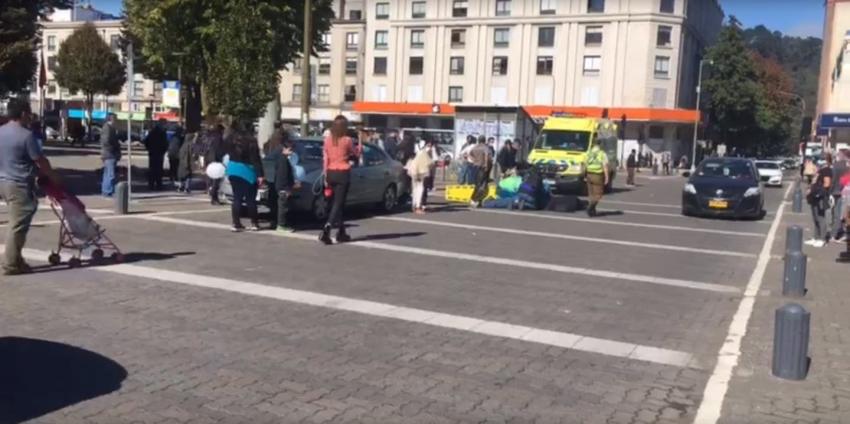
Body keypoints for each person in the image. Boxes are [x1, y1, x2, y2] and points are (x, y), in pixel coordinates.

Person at [0, 99, 61, 275]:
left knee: (17, 222)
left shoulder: (1, 131)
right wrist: (53, 177)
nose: (30, 116)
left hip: (3, 182)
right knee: (17, 225)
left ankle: (17, 260)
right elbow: (39, 160)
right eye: (28, 113)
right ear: (23, 114)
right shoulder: (26, 135)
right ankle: (11, 263)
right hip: (18, 184)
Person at [320, 115, 361, 245]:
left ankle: (341, 232)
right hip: (343, 172)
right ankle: (327, 228)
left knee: (338, 204)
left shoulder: (327, 140)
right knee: (338, 202)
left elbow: (325, 158)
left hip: (331, 172)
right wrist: (360, 142)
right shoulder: (347, 140)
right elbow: (356, 153)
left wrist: (325, 174)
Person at [225, 132, 264, 232]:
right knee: (250, 199)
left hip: (233, 169)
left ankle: (235, 223)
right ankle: (254, 223)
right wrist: (260, 175)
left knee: (237, 198)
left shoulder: (233, 142)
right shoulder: (251, 144)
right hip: (247, 171)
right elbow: (256, 160)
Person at [272, 138, 300, 232]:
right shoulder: (283, 160)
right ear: (284, 149)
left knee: (282, 206)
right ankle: (281, 225)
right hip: (283, 187)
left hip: (280, 186)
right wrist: (287, 188)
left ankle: (281, 224)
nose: (291, 152)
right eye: (290, 150)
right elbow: (283, 175)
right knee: (283, 207)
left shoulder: (281, 158)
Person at [806, 154, 833, 247]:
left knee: (820, 217)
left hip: (821, 197)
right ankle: (816, 237)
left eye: (822, 159)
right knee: (815, 217)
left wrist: (818, 191)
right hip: (814, 196)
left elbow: (827, 183)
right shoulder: (820, 170)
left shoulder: (827, 170)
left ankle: (822, 238)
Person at [407, 140, 434, 214]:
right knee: (419, 190)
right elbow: (431, 163)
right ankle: (418, 207)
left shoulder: (416, 153)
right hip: (420, 173)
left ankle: (414, 206)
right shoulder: (423, 153)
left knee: (415, 190)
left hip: (413, 172)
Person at [202, 123, 226, 205]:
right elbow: (220, 150)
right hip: (215, 160)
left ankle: (210, 191)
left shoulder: (208, 137)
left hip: (208, 159)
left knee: (210, 178)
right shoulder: (218, 138)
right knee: (216, 179)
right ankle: (214, 197)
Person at [585, 138, 610, 217]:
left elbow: (584, 164)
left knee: (591, 194)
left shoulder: (588, 153)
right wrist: (607, 177)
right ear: (600, 144)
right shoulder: (602, 153)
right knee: (598, 194)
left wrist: (584, 175)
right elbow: (605, 166)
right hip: (597, 175)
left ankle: (592, 211)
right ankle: (590, 207)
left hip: (589, 174)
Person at [143, 119, 169, 191]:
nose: (166, 126)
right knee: (158, 170)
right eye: (165, 124)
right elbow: (165, 143)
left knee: (152, 169)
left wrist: (149, 149)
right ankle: (158, 185)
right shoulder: (162, 133)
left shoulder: (153, 132)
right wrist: (164, 150)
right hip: (158, 153)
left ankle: (151, 185)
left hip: (153, 153)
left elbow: (146, 141)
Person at [100, 113, 120, 197]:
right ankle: (108, 191)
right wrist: (114, 149)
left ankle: (106, 190)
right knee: (110, 174)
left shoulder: (110, 128)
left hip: (108, 154)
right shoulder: (108, 128)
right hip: (110, 154)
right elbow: (106, 141)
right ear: (111, 119)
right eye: (115, 119)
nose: (116, 121)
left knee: (107, 173)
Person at [830, 150, 849, 241]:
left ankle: (834, 234)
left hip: (838, 192)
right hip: (846, 192)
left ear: (842, 155)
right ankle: (844, 232)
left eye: (838, 154)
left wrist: (829, 191)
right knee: (845, 213)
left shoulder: (837, 165)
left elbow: (833, 179)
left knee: (837, 214)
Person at [469, 136, 492, 207]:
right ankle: (474, 199)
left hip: (475, 166)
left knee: (477, 184)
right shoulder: (485, 147)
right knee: (482, 185)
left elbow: (469, 154)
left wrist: (474, 160)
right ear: (484, 141)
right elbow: (487, 156)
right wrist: (486, 165)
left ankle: (478, 200)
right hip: (482, 167)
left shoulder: (475, 147)